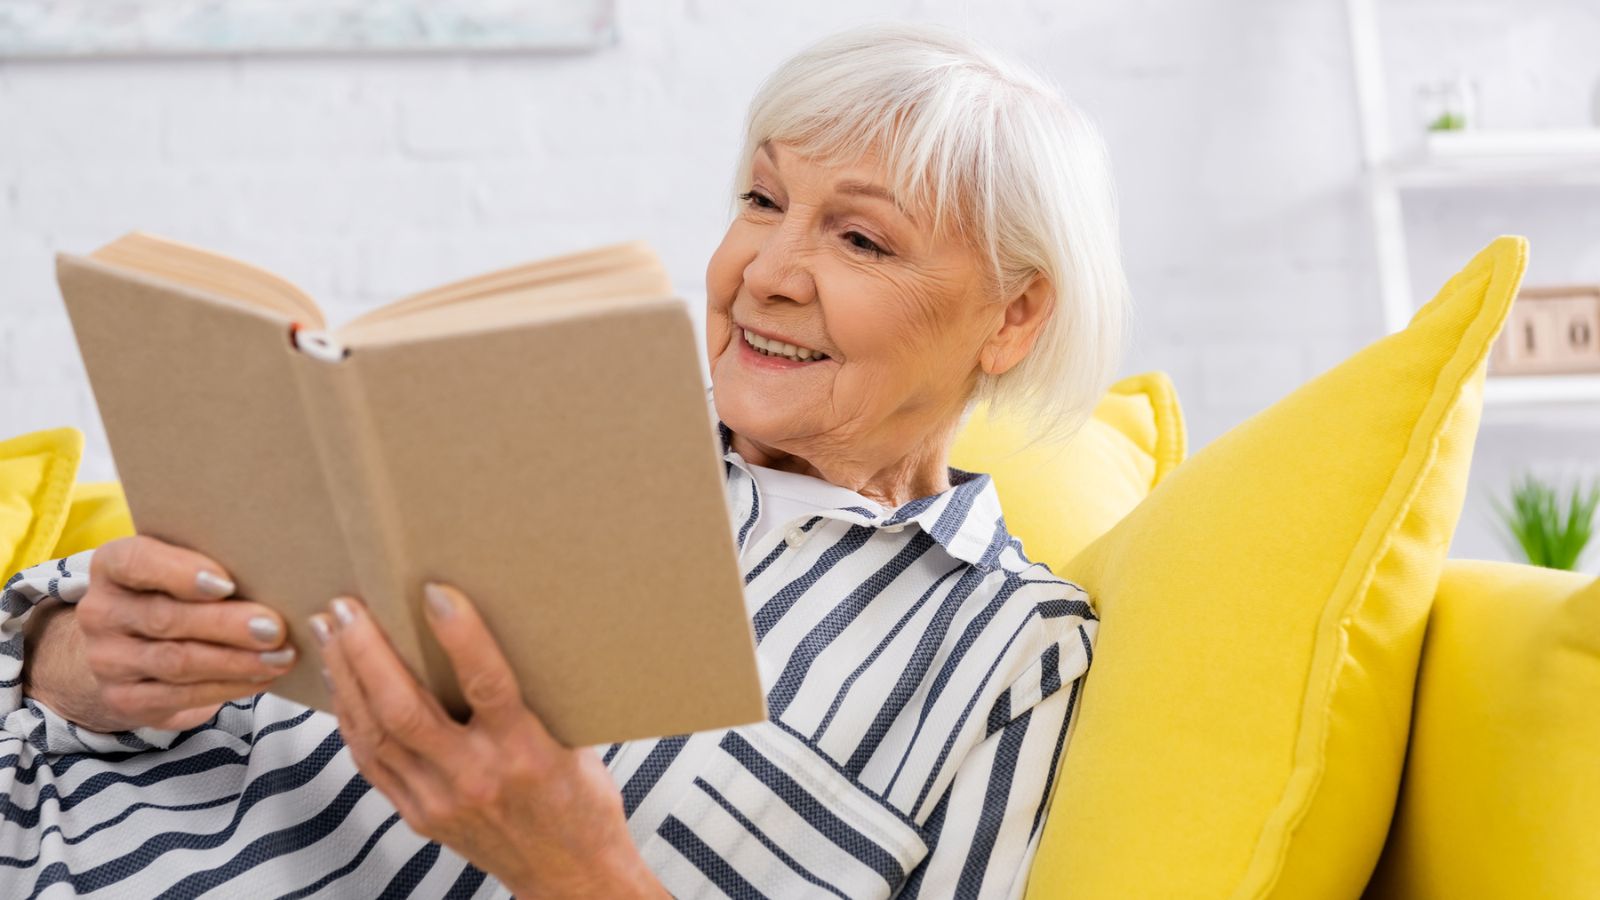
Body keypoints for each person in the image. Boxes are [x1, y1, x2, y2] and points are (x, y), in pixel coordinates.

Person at [1, 21, 1128, 898]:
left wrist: (573, 871)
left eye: (860, 238)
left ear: (1012, 319)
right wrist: (79, 660)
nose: (763, 272)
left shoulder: (1007, 654)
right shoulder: (537, 414)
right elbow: (72, 667)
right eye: (762, 200)